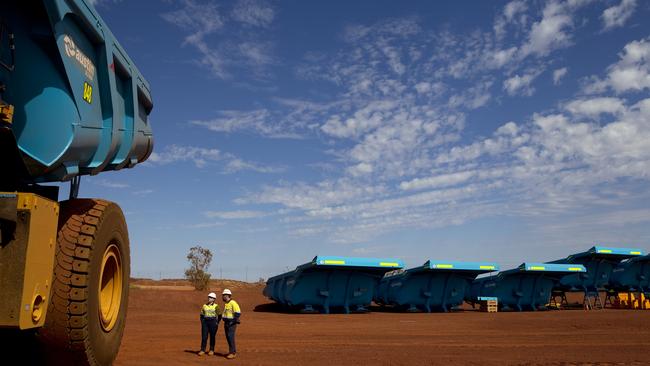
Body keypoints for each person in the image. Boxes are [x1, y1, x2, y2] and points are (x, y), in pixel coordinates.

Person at [221, 289, 241, 360]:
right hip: (226, 323)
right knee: (228, 337)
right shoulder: (226, 304)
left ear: (227, 295)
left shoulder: (233, 303)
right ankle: (231, 352)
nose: (222, 297)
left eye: (223, 295)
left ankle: (233, 353)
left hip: (231, 324)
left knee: (230, 337)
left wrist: (233, 321)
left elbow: (238, 312)